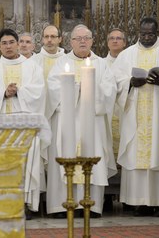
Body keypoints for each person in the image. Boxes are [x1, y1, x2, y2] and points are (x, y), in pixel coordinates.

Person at [111, 17, 159, 217]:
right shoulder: (126, 55)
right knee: (137, 154)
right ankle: (140, 203)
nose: (146, 37)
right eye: (142, 34)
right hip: (134, 114)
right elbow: (114, 82)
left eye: (150, 34)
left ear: (158, 31)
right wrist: (129, 83)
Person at [46, 24, 117, 217]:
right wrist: (74, 88)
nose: (83, 41)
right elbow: (52, 90)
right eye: (78, 39)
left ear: (93, 41)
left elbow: (110, 92)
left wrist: (89, 90)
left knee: (91, 156)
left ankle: (91, 206)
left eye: (86, 38)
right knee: (64, 155)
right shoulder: (61, 63)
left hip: (92, 123)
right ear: (71, 42)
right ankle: (62, 206)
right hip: (65, 122)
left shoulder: (101, 64)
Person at [0, 28, 45, 219]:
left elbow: (39, 92)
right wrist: (2, 93)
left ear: (18, 44)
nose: (8, 46)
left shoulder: (32, 67)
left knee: (25, 163)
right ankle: (4, 203)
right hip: (2, 126)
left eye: (11, 42)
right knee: (3, 164)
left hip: (25, 124)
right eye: (4, 43)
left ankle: (24, 204)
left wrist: (19, 91)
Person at [30, 24, 65, 218]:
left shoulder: (68, 60)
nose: (50, 40)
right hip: (41, 115)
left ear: (61, 39)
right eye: (46, 37)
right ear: (42, 39)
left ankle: (60, 203)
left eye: (53, 36)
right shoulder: (34, 62)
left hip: (61, 116)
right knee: (42, 160)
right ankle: (43, 203)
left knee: (58, 159)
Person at [103, 28, 127, 212]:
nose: (115, 41)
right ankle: (106, 197)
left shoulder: (129, 61)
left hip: (124, 113)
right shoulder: (100, 63)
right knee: (105, 153)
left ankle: (126, 195)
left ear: (125, 42)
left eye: (119, 38)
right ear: (107, 42)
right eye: (112, 38)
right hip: (106, 116)